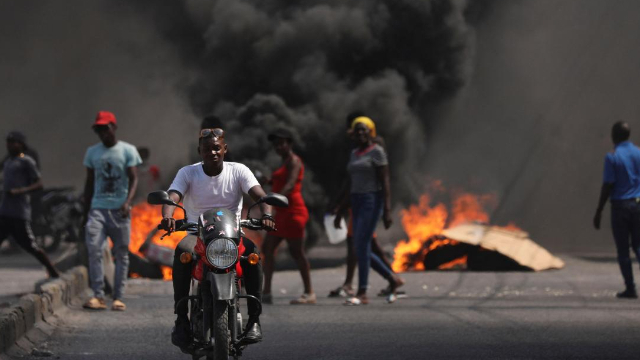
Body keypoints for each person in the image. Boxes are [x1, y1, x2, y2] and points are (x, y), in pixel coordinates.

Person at [162, 128, 274, 349]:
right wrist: (167, 216)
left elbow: (260, 195)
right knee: (182, 253)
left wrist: (267, 214)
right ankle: (181, 319)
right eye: (207, 149)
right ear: (200, 151)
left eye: (216, 148)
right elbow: (172, 196)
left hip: (232, 236)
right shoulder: (188, 173)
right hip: (197, 235)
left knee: (253, 255)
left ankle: (254, 320)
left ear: (224, 149)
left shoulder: (239, 171)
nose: (212, 152)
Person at [330, 112, 401, 298]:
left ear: (370, 132)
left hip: (372, 201)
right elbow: (351, 184)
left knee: (361, 245)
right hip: (356, 201)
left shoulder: (377, 151)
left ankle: (362, 291)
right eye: (357, 130)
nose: (360, 133)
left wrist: (387, 210)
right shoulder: (354, 153)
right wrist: (339, 211)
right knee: (361, 246)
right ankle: (391, 279)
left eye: (364, 130)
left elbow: (385, 181)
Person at [82, 111, 141, 311]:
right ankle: (98, 295)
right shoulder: (92, 152)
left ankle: (118, 297)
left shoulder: (128, 151)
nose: (102, 133)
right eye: (98, 129)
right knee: (95, 249)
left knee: (121, 254)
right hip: (98, 208)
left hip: (120, 210)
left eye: (105, 128)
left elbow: (134, 178)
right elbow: (89, 183)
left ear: (114, 127)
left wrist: (128, 202)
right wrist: (85, 211)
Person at [262, 128, 315, 305]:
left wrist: (275, 198)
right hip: (282, 212)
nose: (278, 146)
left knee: (296, 251)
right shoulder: (284, 162)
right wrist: (268, 181)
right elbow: (280, 181)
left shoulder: (294, 161)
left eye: (281, 143)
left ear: (289, 144)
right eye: (275, 144)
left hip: (293, 211)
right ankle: (266, 292)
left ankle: (309, 293)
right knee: (267, 248)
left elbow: (291, 184)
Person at [0, 131, 59, 278]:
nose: (10, 145)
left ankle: (52, 270)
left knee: (31, 246)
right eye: (8, 142)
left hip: (19, 213)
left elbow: (38, 184)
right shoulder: (7, 162)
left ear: (21, 144)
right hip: (5, 211)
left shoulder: (27, 161)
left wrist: (20, 190)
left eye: (14, 142)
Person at [593, 121, 640, 299]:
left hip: (620, 207)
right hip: (638, 205)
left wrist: (599, 210)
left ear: (615, 136)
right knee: (638, 245)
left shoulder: (612, 156)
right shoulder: (638, 153)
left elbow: (608, 184)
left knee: (623, 250)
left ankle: (630, 287)